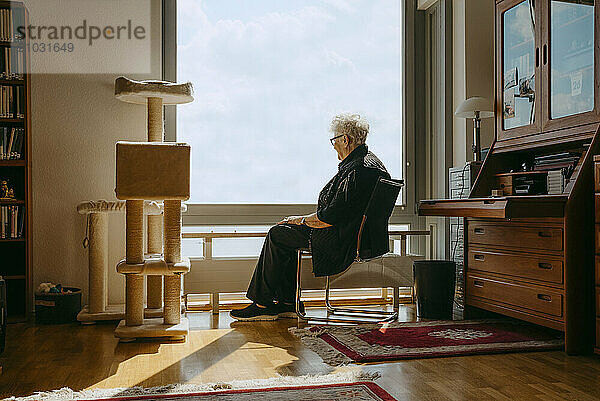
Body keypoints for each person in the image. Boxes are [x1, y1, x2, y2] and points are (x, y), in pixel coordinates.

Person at [230, 113, 391, 321]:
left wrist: (299, 220)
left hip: (340, 240)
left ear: (345, 139)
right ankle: (288, 303)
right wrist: (300, 221)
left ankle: (262, 304)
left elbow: (329, 217)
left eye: (334, 140)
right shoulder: (371, 163)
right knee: (284, 235)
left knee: (278, 234)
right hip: (358, 238)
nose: (333, 145)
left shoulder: (357, 170)